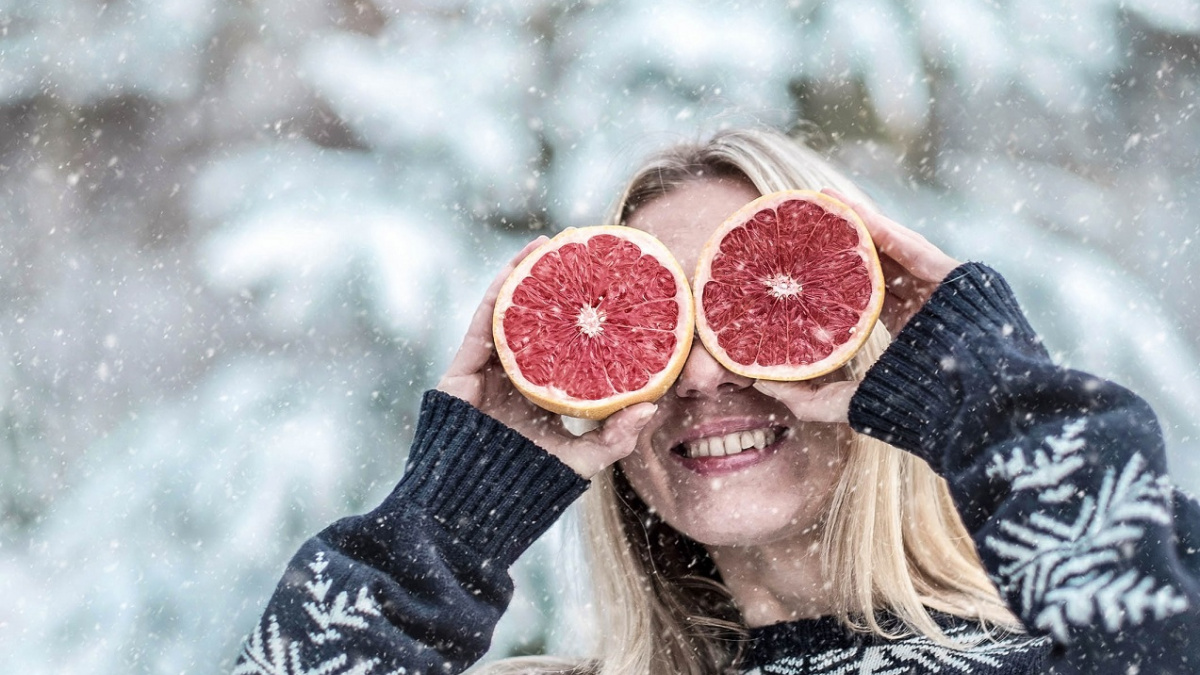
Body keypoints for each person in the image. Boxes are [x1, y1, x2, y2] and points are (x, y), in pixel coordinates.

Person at [231, 128, 1200, 675]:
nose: (698, 377)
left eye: (752, 316)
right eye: (658, 330)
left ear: (874, 342)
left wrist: (988, 400)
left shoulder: (1091, 623)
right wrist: (447, 521)